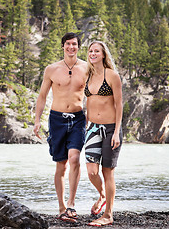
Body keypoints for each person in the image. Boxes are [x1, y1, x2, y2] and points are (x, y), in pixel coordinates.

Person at [33, 32, 88, 223]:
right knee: (61, 164)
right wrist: (37, 120)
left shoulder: (87, 68)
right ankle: (61, 206)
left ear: (78, 47)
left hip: (78, 118)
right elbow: (42, 96)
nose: (71, 47)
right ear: (63, 46)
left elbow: (97, 92)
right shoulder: (52, 69)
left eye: (74, 44)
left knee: (74, 158)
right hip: (56, 120)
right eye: (68, 44)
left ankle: (71, 204)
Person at [83, 41, 123, 227]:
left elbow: (119, 104)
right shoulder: (88, 75)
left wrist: (116, 132)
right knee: (92, 171)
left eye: (96, 51)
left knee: (108, 172)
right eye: (90, 51)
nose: (93, 54)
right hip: (92, 128)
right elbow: (88, 102)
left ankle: (108, 215)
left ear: (104, 54)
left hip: (110, 128)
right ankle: (103, 195)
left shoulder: (112, 76)